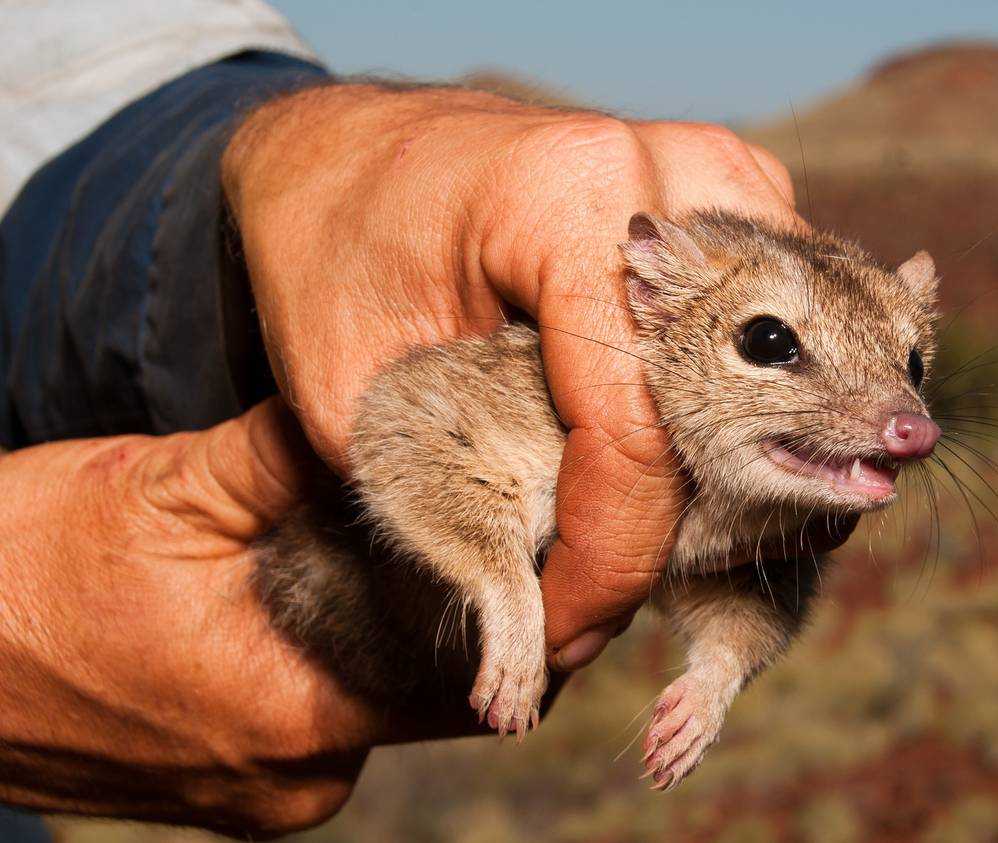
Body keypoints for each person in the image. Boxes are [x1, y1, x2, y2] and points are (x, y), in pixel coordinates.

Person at [0, 2, 841, 836]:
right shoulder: (538, 400)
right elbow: (409, 437)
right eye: (769, 343)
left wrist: (281, 152)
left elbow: (87, 70)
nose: (907, 425)